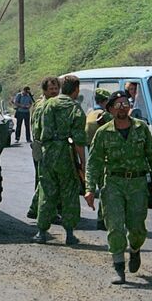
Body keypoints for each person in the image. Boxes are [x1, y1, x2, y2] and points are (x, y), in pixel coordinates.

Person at [84, 90, 152, 285]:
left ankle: (135, 249)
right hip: (112, 184)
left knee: (137, 228)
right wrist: (89, 188)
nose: (123, 108)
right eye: (118, 105)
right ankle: (118, 267)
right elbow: (94, 162)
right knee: (115, 227)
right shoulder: (103, 133)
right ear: (110, 109)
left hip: (137, 184)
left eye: (126, 104)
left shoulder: (141, 128)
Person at [32, 75, 86, 246]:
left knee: (47, 191)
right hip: (65, 153)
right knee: (69, 193)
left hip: (47, 152)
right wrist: (82, 163)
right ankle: (69, 234)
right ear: (75, 89)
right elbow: (79, 140)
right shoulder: (75, 108)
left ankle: (41, 232)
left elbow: (36, 130)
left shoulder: (46, 104)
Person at [27, 76, 60, 219]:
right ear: (45, 91)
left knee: (45, 180)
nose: (54, 91)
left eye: (56, 88)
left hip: (50, 147)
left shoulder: (54, 103)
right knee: (45, 180)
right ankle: (43, 210)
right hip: (42, 146)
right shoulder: (41, 105)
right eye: (51, 89)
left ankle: (37, 208)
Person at [85, 88, 112, 231]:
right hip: (105, 157)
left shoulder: (91, 114)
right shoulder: (105, 116)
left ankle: (102, 219)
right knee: (106, 188)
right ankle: (103, 219)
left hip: (95, 155)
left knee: (103, 187)